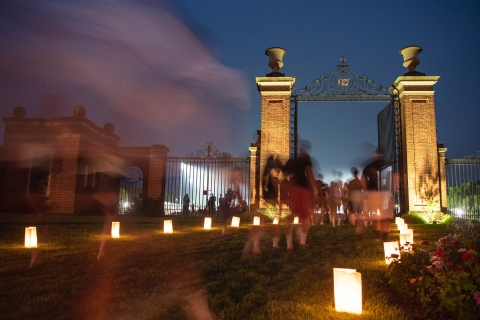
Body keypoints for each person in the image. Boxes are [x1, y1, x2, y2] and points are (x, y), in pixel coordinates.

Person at [282, 139, 317, 252]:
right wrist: (315, 189)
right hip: (302, 189)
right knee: (305, 217)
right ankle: (302, 242)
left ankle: (289, 245)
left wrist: (289, 184)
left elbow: (283, 173)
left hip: (293, 190)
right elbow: (310, 173)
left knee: (290, 217)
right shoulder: (305, 158)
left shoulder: (292, 160)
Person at [361, 150, 395, 242]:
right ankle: (385, 236)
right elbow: (395, 178)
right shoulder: (388, 166)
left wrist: (366, 191)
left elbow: (363, 179)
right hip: (385, 193)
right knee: (386, 215)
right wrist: (393, 192)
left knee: (375, 215)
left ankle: (377, 233)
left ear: (375, 155)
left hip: (373, 193)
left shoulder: (368, 166)